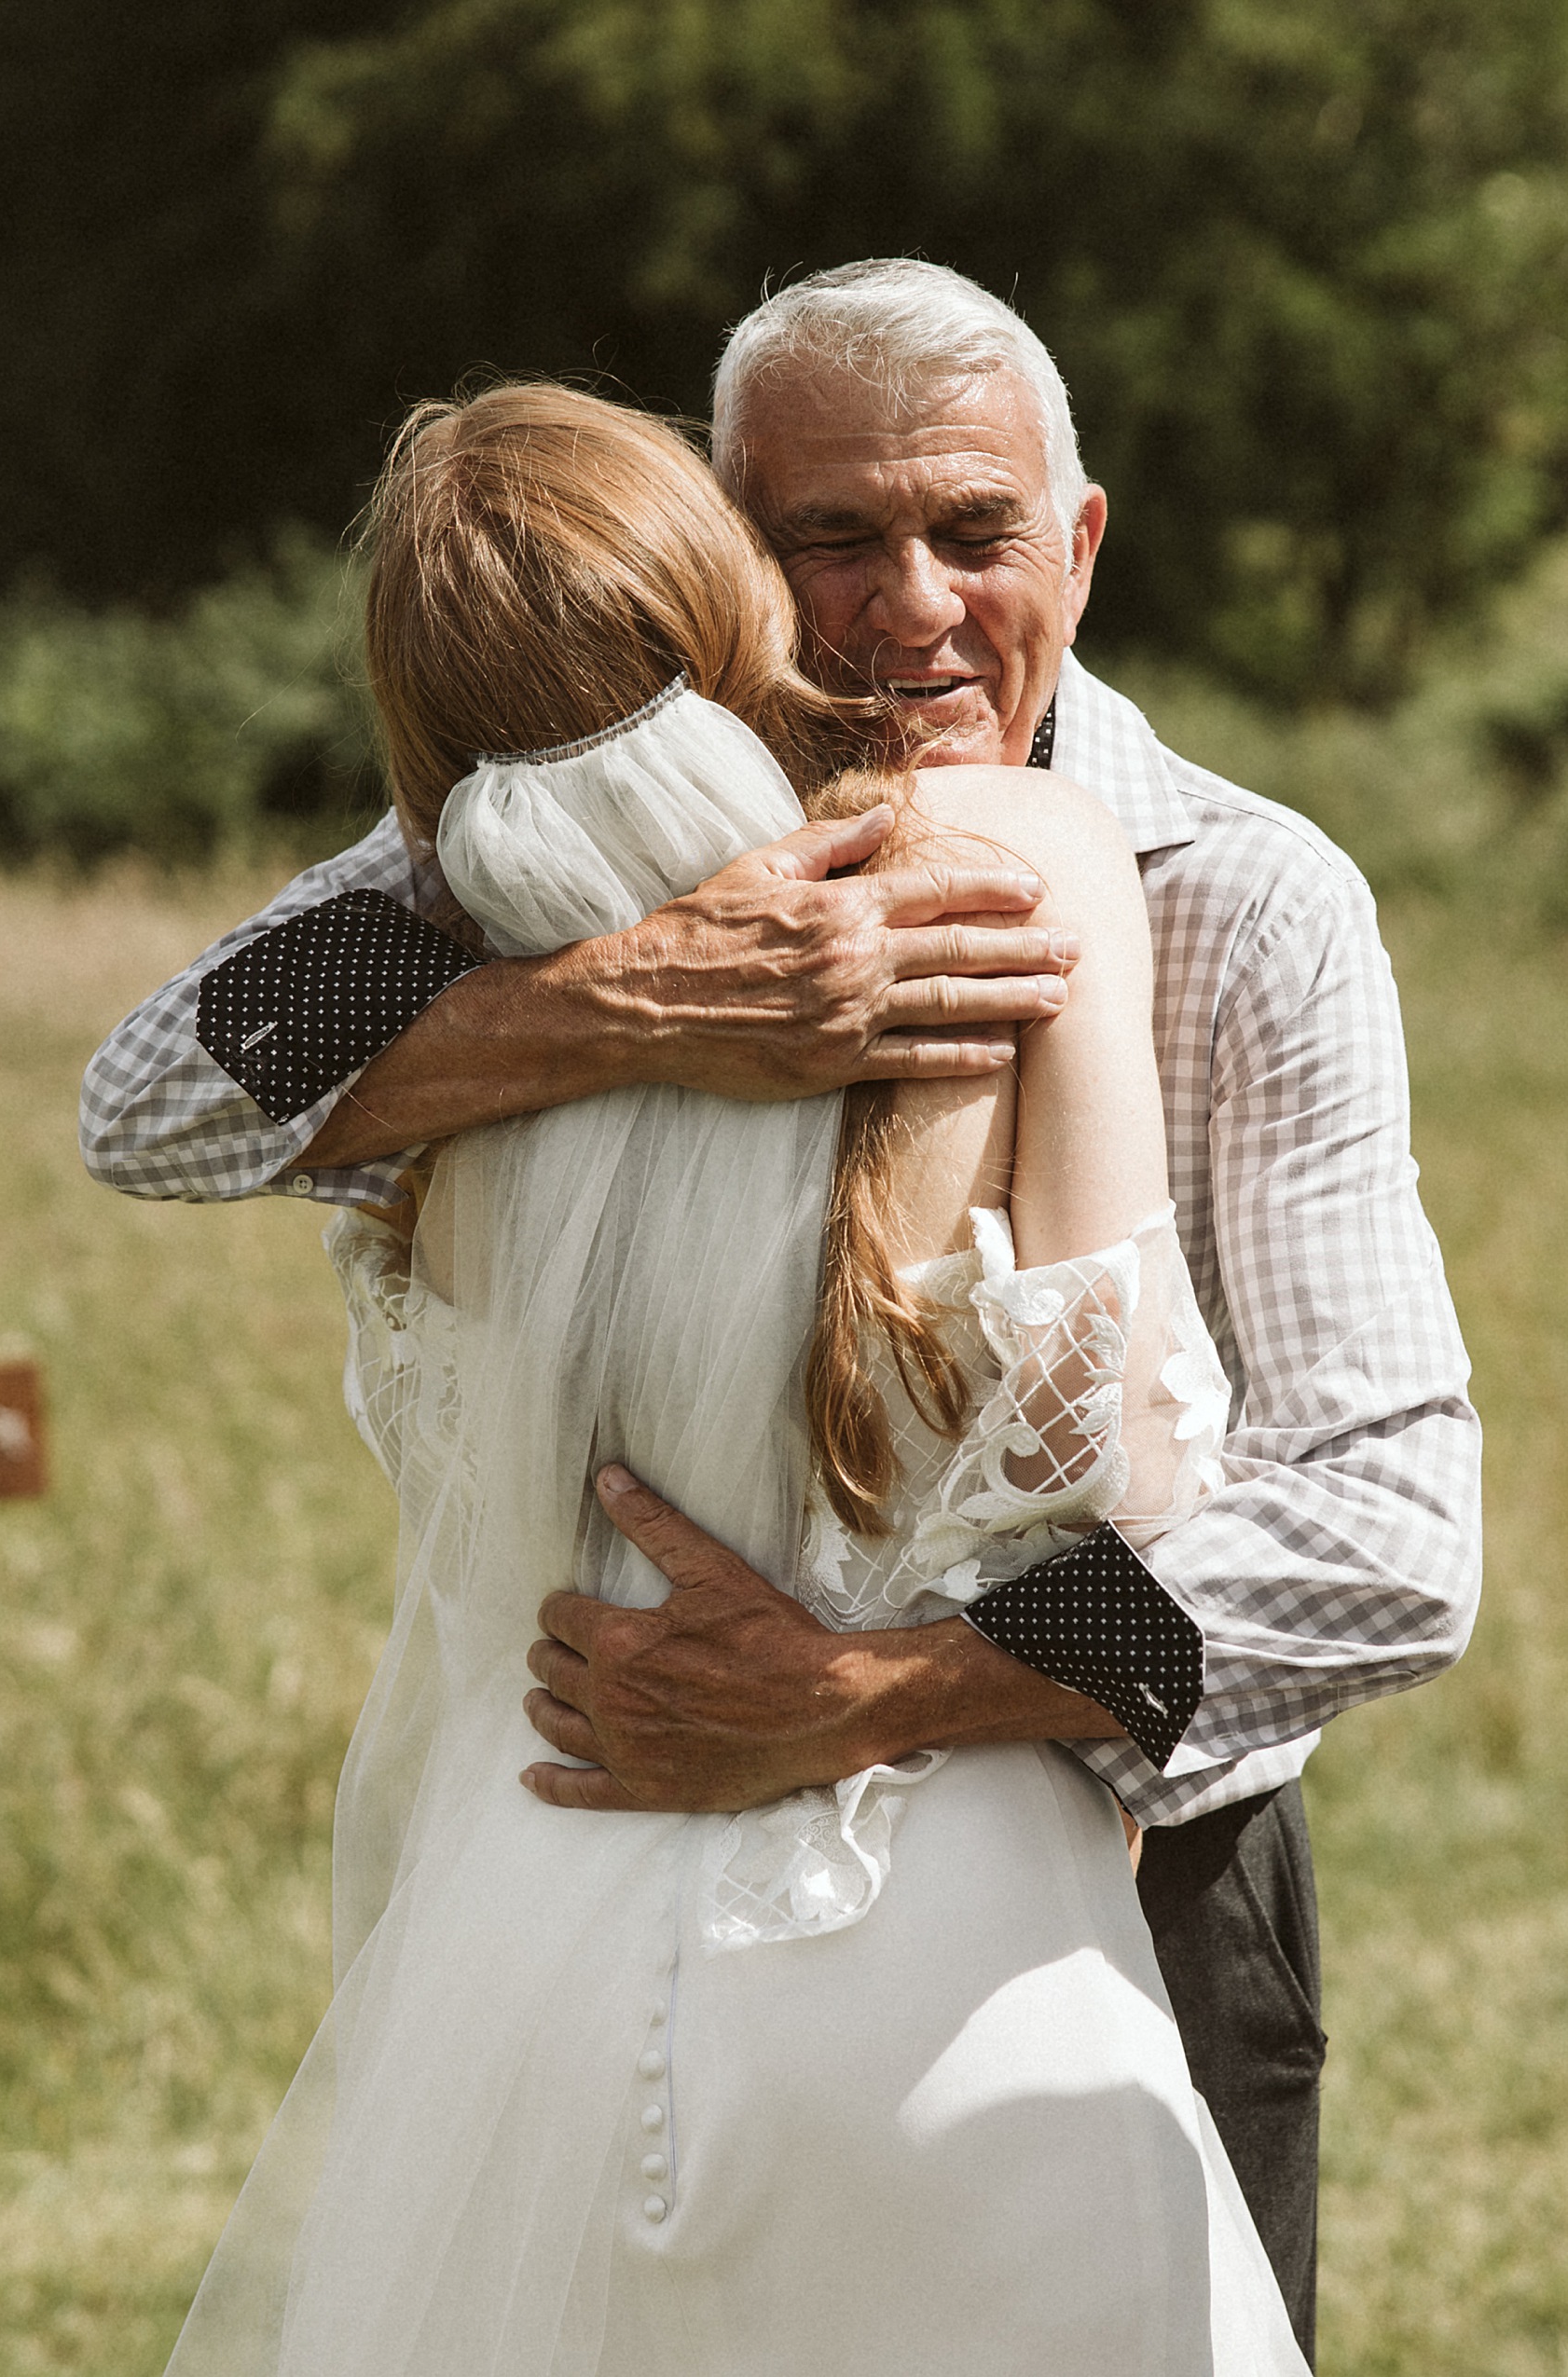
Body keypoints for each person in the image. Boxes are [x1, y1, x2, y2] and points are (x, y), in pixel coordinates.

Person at [81, 261, 1482, 2361]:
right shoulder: (539, 854)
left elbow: (1385, 1540)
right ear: (724, 555)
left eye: (971, 533)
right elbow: (157, 1103)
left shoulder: (1241, 890)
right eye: (826, 536)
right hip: (608, 1847)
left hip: (1122, 1889)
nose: (905, 605)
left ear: (1079, 543)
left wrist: (875, 1687)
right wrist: (602, 999)